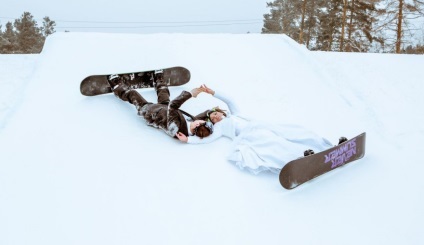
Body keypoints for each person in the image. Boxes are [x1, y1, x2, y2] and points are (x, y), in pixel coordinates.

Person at [176, 84, 347, 174]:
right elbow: (206, 140)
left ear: (220, 112)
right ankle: (302, 159)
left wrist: (213, 92)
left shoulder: (234, 114)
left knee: (297, 133)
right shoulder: (219, 128)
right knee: (277, 147)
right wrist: (188, 140)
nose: (215, 117)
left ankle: (330, 147)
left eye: (215, 114)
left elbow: (230, 100)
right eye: (212, 118)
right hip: (251, 137)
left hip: (262, 127)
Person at [109, 71, 213, 140]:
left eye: (202, 122)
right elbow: (200, 117)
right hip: (165, 109)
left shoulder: (177, 129)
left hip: (152, 113)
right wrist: (213, 112)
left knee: (133, 95)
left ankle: (117, 86)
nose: (202, 120)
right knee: (164, 93)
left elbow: (173, 106)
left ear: (198, 125)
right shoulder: (193, 125)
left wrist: (190, 94)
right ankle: (158, 80)